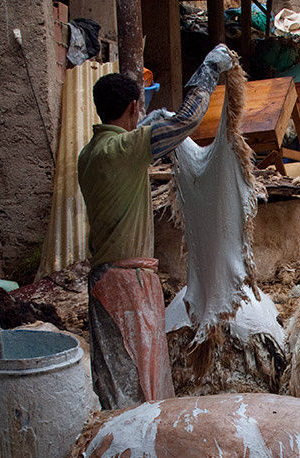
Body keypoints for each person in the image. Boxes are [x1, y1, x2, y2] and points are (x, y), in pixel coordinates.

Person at [78, 44, 235, 410]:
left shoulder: (92, 152)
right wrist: (209, 69)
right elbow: (187, 121)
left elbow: (139, 135)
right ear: (134, 107)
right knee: (143, 382)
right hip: (128, 284)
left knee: (116, 375)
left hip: (102, 278)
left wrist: (148, 124)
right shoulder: (125, 150)